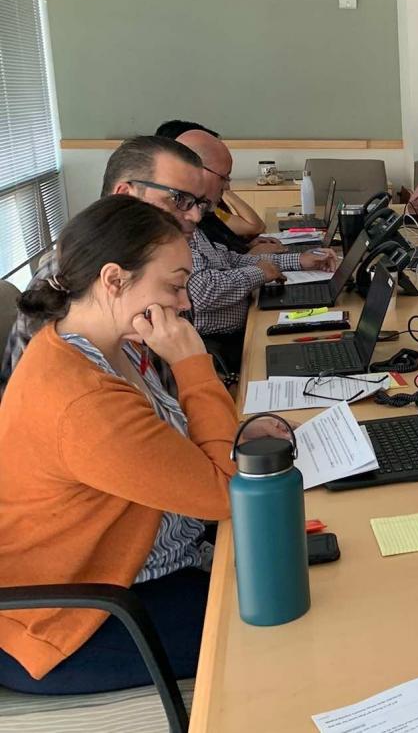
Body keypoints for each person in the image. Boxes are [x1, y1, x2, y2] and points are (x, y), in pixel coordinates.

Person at [0, 196, 283, 694]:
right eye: (174, 285)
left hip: (139, 567)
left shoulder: (108, 346)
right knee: (278, 618)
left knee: (296, 565)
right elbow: (225, 493)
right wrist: (192, 363)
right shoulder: (83, 399)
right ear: (113, 280)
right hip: (73, 617)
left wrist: (235, 431)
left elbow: (161, 444)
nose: (185, 303)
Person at [1, 135, 210, 393]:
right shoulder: (69, 279)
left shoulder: (164, 262)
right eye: (179, 199)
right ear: (125, 195)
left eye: (199, 203)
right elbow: (36, 402)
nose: (195, 215)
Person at [176, 128, 338, 372]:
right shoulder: (174, 222)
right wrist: (260, 273)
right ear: (198, 172)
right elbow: (201, 291)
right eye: (224, 177)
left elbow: (230, 260)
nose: (227, 185)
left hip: (244, 327)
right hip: (220, 346)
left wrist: (299, 261)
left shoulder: (194, 217)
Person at [156, 119, 271, 244]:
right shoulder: (177, 212)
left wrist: (247, 248)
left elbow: (223, 251)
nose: (195, 215)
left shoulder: (207, 207)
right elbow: (254, 226)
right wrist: (220, 183)